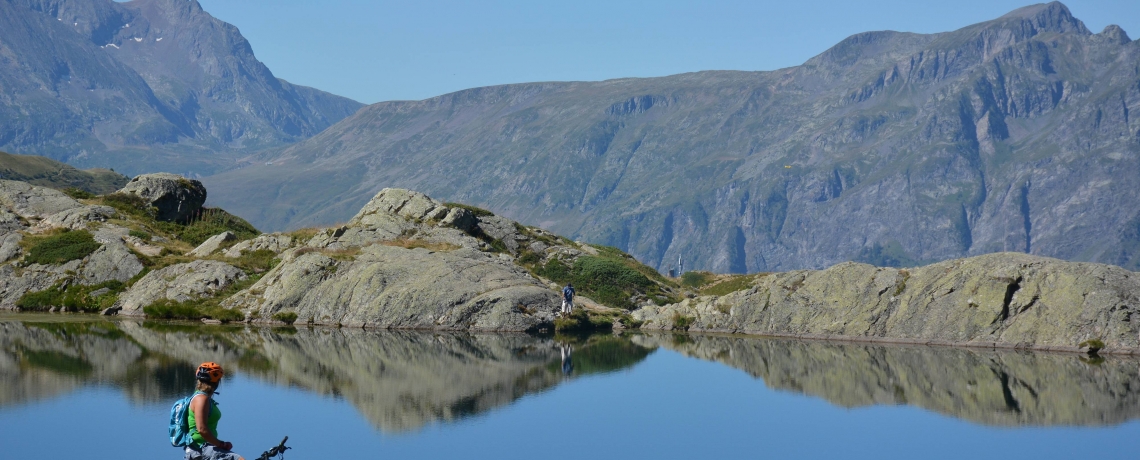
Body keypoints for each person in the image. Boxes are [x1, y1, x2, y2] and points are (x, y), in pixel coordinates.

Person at [185, 362, 245, 460]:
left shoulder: (203, 399)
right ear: (216, 382)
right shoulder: (201, 399)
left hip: (200, 449)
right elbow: (202, 429)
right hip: (201, 448)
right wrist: (222, 444)